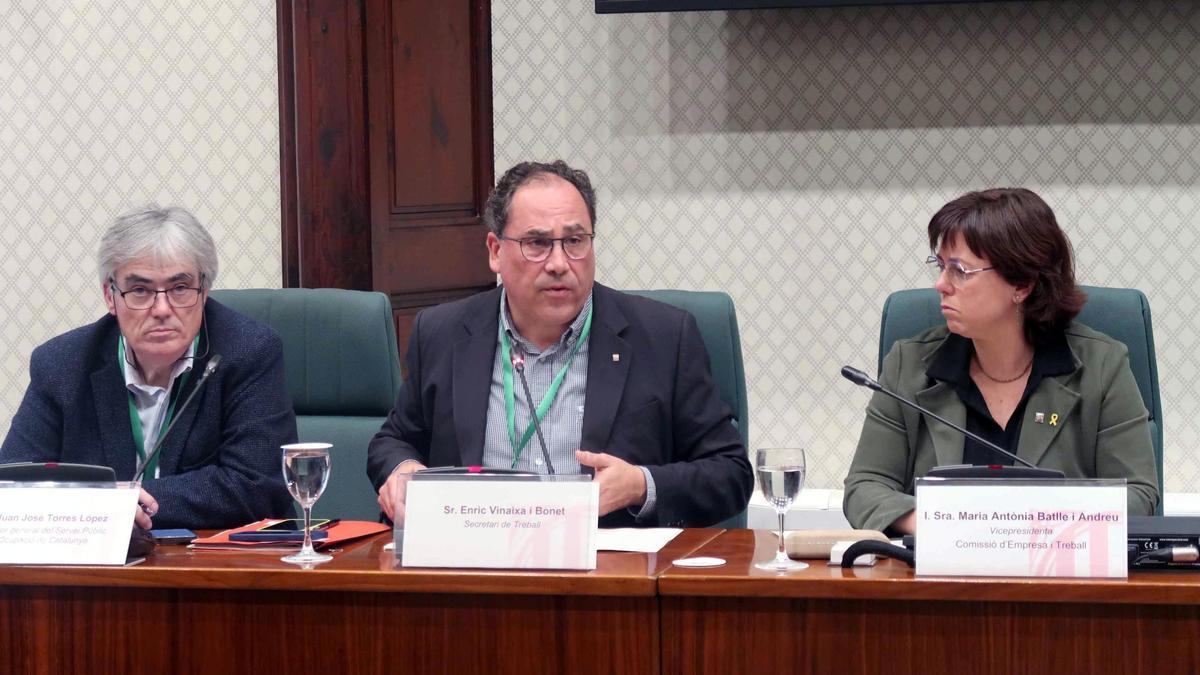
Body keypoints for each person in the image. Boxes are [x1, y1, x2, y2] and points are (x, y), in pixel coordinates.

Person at [368, 160, 752, 527]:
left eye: (574, 241)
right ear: (495, 251)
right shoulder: (444, 333)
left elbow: (731, 473)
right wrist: (402, 470)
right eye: (537, 243)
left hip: (606, 581)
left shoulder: (663, 337)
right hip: (475, 571)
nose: (558, 262)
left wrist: (639, 485)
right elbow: (395, 440)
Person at [843, 188, 1160, 534]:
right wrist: (940, 525)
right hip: (940, 581)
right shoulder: (911, 365)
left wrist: (1021, 527)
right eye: (940, 266)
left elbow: (1137, 495)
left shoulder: (1101, 366)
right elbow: (865, 488)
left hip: (1058, 578)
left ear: (1021, 284)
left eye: (959, 270)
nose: (941, 285)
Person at [0, 206, 296, 530]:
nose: (162, 309)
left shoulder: (249, 351)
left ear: (204, 290)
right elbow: (12, 484)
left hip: (221, 566)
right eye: (140, 290)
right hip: (99, 572)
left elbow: (256, 486)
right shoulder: (61, 365)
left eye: (180, 288)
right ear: (110, 297)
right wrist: (104, 507)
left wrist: (119, 504)